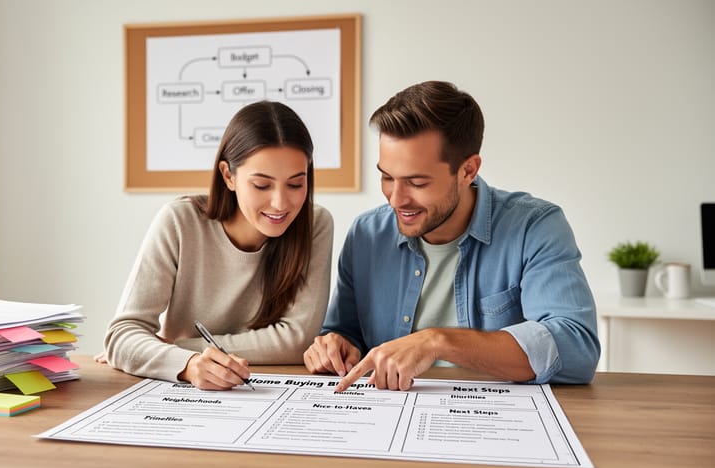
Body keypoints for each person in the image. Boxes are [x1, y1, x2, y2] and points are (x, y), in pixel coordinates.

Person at [303, 81, 599, 392]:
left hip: (496, 422)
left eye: (417, 182)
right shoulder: (368, 234)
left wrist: (437, 341)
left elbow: (576, 349)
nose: (396, 199)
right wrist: (335, 345)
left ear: (468, 171)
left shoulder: (534, 227)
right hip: (388, 419)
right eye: (387, 177)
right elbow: (345, 332)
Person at [99, 100, 333, 390]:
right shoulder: (180, 221)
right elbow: (122, 336)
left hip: (269, 391)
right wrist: (187, 365)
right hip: (185, 393)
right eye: (262, 185)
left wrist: (178, 347)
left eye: (296, 184)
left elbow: (297, 340)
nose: (280, 203)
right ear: (228, 176)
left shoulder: (316, 225)